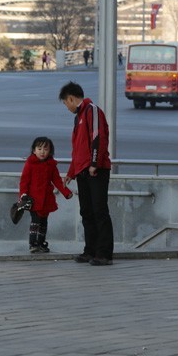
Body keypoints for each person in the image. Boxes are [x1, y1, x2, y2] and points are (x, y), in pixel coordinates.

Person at [59, 81, 114, 266]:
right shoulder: (78, 117)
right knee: (86, 212)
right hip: (82, 171)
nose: (66, 107)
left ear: (71, 98)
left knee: (99, 211)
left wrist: (94, 164)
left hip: (95, 170)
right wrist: (71, 172)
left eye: (66, 103)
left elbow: (98, 138)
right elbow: (78, 149)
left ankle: (104, 253)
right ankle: (90, 250)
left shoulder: (92, 110)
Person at [18, 136, 73, 253]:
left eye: (45, 149)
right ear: (34, 150)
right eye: (39, 148)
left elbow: (57, 180)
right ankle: (33, 243)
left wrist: (66, 193)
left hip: (47, 199)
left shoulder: (51, 165)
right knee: (35, 220)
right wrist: (23, 195)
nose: (42, 151)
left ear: (50, 151)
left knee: (43, 222)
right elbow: (24, 181)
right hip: (33, 199)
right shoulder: (30, 163)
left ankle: (41, 243)